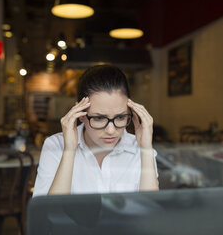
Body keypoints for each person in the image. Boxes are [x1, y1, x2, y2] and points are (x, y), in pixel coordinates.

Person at [33, 65, 159, 196]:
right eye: (99, 118)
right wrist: (69, 151)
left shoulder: (140, 147)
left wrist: (146, 150)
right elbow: (49, 214)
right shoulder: (55, 146)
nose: (111, 130)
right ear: (80, 113)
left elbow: (149, 212)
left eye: (120, 117)